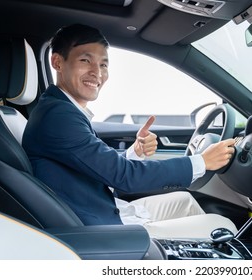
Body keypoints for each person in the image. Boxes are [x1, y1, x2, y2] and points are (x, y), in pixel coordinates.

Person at [22, 24, 237, 239]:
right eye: (85, 60)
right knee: (222, 225)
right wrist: (202, 162)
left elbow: (96, 165)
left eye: (104, 64)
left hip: (106, 208)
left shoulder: (59, 109)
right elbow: (123, 176)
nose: (97, 73)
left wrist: (135, 152)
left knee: (185, 201)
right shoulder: (58, 117)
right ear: (57, 62)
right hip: (101, 229)